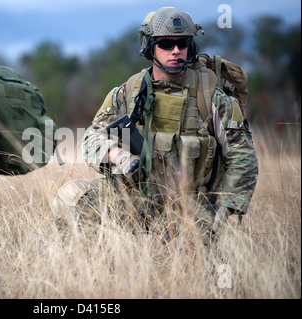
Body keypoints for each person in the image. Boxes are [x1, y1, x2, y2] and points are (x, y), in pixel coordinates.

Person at [54, 7, 259, 244]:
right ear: (149, 46)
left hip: (192, 207)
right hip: (135, 199)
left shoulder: (212, 97)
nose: (175, 51)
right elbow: (92, 138)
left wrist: (223, 215)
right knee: (72, 197)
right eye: (165, 44)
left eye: (182, 43)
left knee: (195, 262)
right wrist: (119, 156)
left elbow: (243, 158)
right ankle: (87, 269)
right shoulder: (128, 93)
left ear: (190, 46)